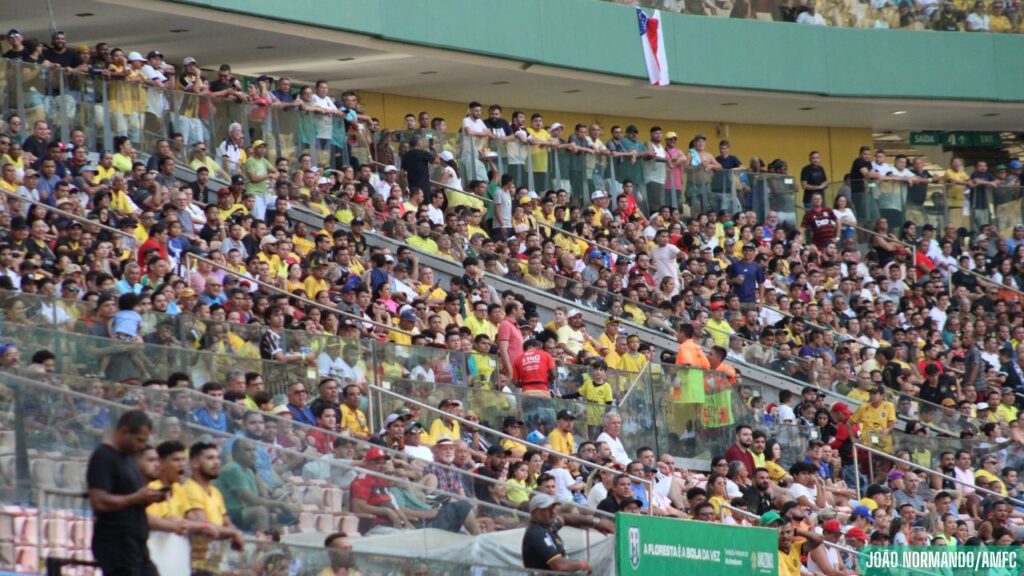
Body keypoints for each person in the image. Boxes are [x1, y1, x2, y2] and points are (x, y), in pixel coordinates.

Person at [86, 410, 167, 576]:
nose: (143, 446)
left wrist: (149, 498)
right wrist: (136, 498)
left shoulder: (129, 459)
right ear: (124, 432)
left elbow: (129, 496)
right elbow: (99, 501)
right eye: (139, 440)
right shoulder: (103, 456)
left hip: (136, 543)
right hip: (117, 542)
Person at [521, 494, 591, 573]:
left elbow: (564, 518)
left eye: (553, 508)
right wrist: (582, 564)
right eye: (547, 509)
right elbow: (560, 565)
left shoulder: (548, 525)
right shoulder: (537, 533)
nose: (552, 512)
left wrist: (596, 522)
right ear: (534, 512)